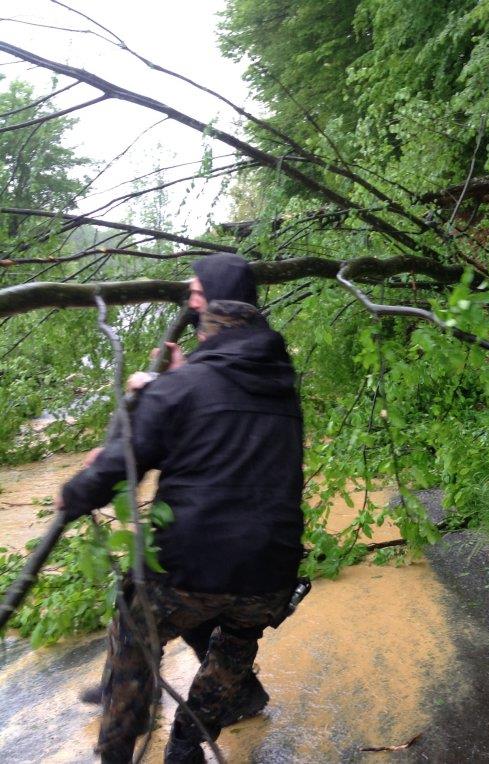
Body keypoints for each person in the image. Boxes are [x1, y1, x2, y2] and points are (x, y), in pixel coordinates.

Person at [57, 298, 305, 763]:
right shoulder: (284, 391)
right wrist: (174, 381)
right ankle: (188, 745)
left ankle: (115, 749)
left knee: (133, 633)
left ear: (206, 337)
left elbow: (126, 461)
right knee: (234, 645)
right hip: (272, 571)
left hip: (190, 567)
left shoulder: (185, 385)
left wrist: (76, 493)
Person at [79, 254, 270, 724]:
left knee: (158, 596)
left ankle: (136, 700)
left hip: (226, 523)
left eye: (198, 295)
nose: (190, 303)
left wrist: (162, 388)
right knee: (194, 594)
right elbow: (206, 414)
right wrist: (179, 378)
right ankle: (219, 693)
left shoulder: (240, 367)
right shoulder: (257, 360)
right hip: (235, 527)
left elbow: (202, 411)